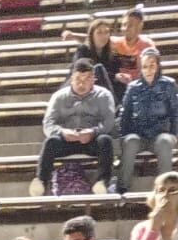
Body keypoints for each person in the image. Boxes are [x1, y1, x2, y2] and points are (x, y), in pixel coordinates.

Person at [29, 60, 115, 198]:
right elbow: (48, 123)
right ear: (71, 79)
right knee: (51, 141)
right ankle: (41, 181)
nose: (82, 84)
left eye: (87, 79)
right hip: (67, 139)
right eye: (78, 79)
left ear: (94, 79)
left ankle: (102, 181)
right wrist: (62, 132)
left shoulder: (104, 95)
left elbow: (109, 122)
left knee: (106, 141)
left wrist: (93, 132)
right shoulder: (59, 97)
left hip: (91, 139)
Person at [117, 49, 178, 192]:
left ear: (158, 66)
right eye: (145, 66)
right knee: (130, 141)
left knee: (165, 142)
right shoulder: (133, 87)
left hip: (159, 134)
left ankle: (166, 190)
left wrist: (173, 134)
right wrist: (123, 135)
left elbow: (175, 112)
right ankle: (122, 188)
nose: (148, 70)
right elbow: (125, 114)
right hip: (138, 134)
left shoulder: (168, 85)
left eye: (152, 65)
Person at [110, 5, 155, 88]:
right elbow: (93, 39)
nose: (125, 28)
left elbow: (151, 72)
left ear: (139, 26)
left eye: (130, 25)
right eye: (124, 25)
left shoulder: (147, 46)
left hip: (139, 86)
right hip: (118, 85)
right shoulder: (114, 42)